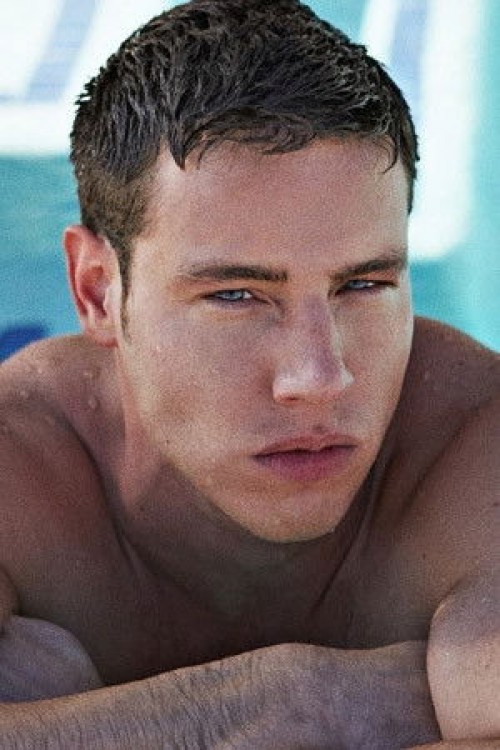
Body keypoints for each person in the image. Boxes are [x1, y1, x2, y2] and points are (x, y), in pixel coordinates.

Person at [0, 0, 498, 746]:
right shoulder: (19, 467)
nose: (319, 377)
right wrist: (293, 702)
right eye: (236, 295)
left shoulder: (472, 448)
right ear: (98, 291)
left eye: (363, 285)